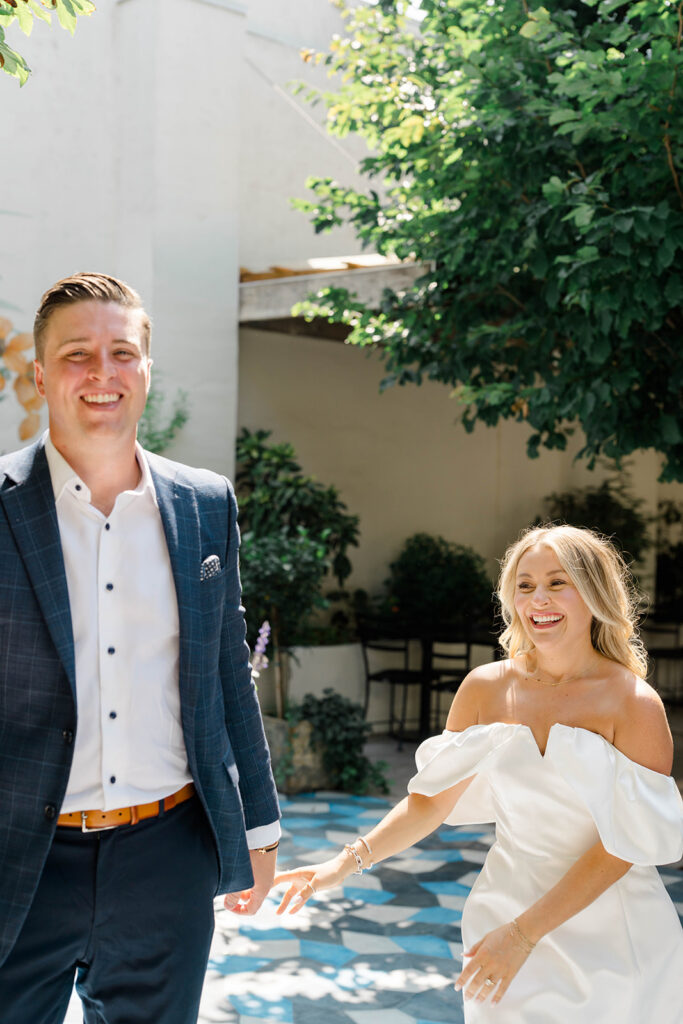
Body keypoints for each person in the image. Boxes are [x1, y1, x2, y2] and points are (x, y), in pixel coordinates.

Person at [0, 273, 280, 1024]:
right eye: (77, 354)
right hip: (18, 857)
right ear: (40, 375)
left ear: (147, 369)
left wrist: (259, 828)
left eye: (122, 352)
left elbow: (229, 672)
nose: (103, 372)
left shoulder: (204, 504)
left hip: (167, 857)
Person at [274, 525, 683, 1022]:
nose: (538, 599)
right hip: (501, 911)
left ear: (594, 592)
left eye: (557, 583)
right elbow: (430, 802)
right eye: (525, 585)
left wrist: (524, 934)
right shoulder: (484, 689)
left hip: (610, 936)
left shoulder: (634, 703)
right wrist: (340, 865)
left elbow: (622, 848)